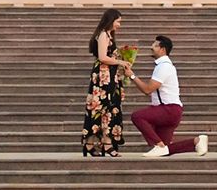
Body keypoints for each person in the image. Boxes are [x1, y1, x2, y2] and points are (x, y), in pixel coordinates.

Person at [126, 34, 208, 158]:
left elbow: (147, 90)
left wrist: (132, 76)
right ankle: (196, 141)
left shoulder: (163, 66)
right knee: (165, 149)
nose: (151, 47)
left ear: (162, 49)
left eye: (155, 45)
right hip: (172, 110)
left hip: (168, 110)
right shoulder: (164, 66)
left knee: (137, 117)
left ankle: (158, 145)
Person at [82, 8, 130, 156]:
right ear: (111, 20)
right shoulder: (103, 34)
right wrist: (121, 62)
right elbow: (103, 57)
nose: (119, 25)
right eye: (118, 21)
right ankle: (100, 144)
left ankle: (98, 144)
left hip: (109, 75)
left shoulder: (109, 34)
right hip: (103, 76)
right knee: (100, 109)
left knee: (108, 109)